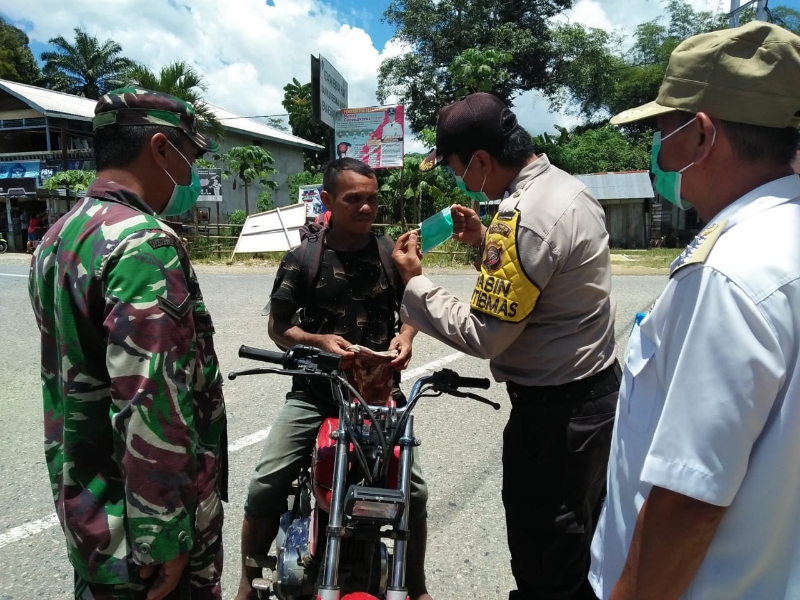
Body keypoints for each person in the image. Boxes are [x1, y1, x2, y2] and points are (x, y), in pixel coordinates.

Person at [587, 22, 800, 600]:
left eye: (663, 133)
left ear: (701, 135)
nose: (658, 154)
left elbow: (689, 499)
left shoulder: (727, 271)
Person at [393, 92, 618, 600]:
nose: (459, 179)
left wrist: (415, 284)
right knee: (581, 549)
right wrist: (483, 244)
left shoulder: (523, 217)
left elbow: (486, 333)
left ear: (480, 161)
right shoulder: (568, 189)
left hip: (555, 422)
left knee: (547, 566)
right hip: (594, 401)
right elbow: (537, 289)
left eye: (456, 169)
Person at [28, 88, 227, 600]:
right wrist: (163, 535)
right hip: (145, 543)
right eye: (189, 157)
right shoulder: (144, 243)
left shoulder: (58, 237)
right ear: (161, 149)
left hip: (94, 517)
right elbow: (150, 396)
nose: (190, 175)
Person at [236, 158, 432, 600]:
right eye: (354, 199)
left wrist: (405, 337)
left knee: (414, 492)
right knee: (266, 481)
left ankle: (415, 584)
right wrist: (317, 340)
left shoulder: (391, 255)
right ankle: (248, 583)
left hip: (379, 396)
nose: (366, 208)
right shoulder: (302, 258)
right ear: (327, 199)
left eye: (372, 199)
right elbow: (278, 327)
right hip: (314, 393)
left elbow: (413, 308)